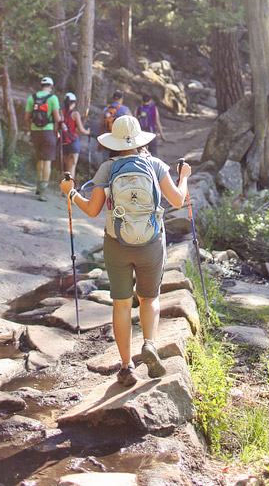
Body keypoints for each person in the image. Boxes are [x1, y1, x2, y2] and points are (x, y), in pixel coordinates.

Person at [60, 113, 191, 388]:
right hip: (151, 244)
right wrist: (184, 177)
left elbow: (93, 210)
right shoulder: (154, 164)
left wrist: (71, 193)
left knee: (121, 304)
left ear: (114, 143)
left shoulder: (107, 169)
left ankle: (126, 366)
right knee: (149, 299)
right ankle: (150, 344)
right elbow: (178, 201)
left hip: (116, 244)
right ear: (140, 140)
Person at [25, 76, 62, 200]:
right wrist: (56, 132)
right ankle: (43, 191)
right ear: (51, 87)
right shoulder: (53, 98)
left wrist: (31, 129)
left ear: (41, 86)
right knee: (47, 161)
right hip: (48, 132)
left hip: (35, 132)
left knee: (39, 159)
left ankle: (38, 186)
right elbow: (57, 118)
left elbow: (27, 118)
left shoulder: (32, 98)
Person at [59, 92, 91, 177]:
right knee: (72, 167)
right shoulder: (75, 114)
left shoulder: (61, 113)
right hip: (73, 141)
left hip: (64, 141)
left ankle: (65, 187)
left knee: (67, 168)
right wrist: (88, 132)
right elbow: (81, 130)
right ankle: (70, 188)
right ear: (73, 103)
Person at [99, 91, 130, 165]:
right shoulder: (124, 109)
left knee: (106, 160)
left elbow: (101, 125)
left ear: (113, 98)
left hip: (107, 138)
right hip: (120, 139)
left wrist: (99, 143)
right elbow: (131, 124)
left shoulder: (106, 109)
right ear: (122, 98)